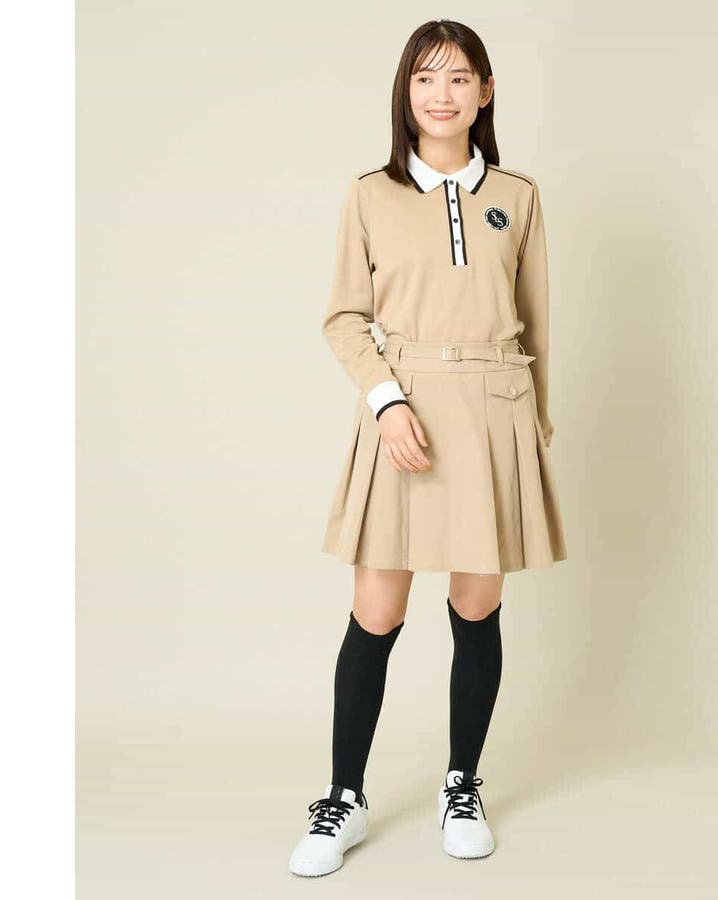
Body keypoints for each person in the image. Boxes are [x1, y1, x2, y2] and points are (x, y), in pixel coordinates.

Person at [289, 19, 567, 878]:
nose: (441, 95)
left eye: (458, 78)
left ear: (485, 92)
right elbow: (344, 317)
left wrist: (534, 428)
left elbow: (537, 318)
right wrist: (386, 402)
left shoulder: (517, 195)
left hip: (495, 411)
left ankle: (461, 785)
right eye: (424, 78)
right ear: (404, 93)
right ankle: (344, 796)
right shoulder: (370, 195)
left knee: (477, 608)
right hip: (405, 411)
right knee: (376, 612)